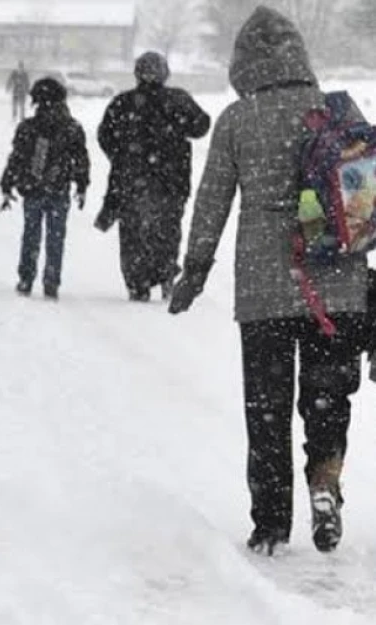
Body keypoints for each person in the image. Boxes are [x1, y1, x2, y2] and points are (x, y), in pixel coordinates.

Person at [169, 6, 368, 556]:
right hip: (340, 285)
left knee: (268, 408)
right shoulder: (334, 112)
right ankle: (325, 481)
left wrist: (195, 270)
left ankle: (271, 523)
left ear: (243, 63)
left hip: (265, 291)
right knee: (327, 398)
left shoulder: (238, 119)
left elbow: (211, 203)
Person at [98, 51, 211, 302]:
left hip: (131, 180)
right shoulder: (178, 100)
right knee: (168, 229)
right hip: (172, 180)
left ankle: (138, 282)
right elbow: (202, 125)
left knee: (132, 233)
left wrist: (121, 156)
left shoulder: (122, 103)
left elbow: (105, 135)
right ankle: (165, 272)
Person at [0, 78, 90, 301]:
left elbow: (17, 158)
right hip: (59, 189)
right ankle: (51, 281)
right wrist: (81, 184)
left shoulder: (29, 127)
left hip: (33, 189)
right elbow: (81, 159)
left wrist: (7, 183)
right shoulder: (72, 128)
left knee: (31, 235)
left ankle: (26, 278)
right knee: (55, 238)